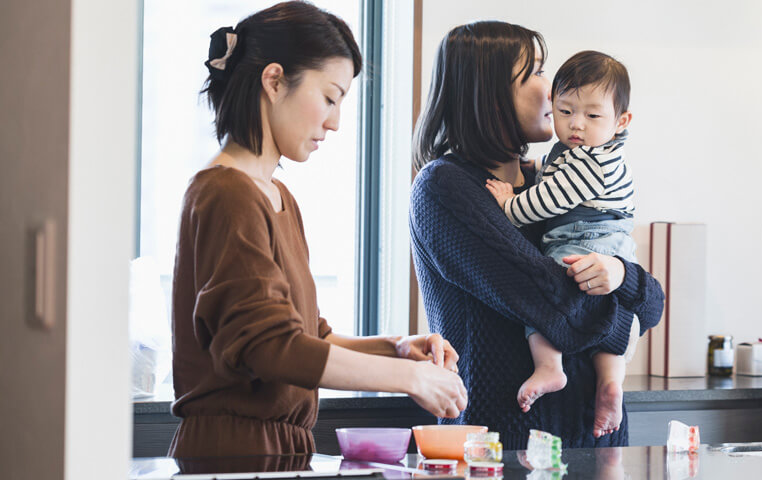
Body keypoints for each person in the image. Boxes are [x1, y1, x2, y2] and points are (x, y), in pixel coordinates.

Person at [170, 1, 467, 457]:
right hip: (235, 451)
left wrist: (397, 349)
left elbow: (307, 336)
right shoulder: (225, 193)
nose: (335, 121)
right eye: (330, 97)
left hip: (280, 449)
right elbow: (271, 346)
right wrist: (410, 379)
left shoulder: (276, 196)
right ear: (273, 81)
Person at [411, 21, 664, 449]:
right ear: (488, 94)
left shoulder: (551, 182)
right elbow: (559, 304)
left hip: (592, 439)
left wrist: (623, 274)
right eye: (535, 72)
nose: (551, 90)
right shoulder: (446, 188)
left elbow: (653, 303)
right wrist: (627, 312)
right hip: (505, 446)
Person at [483, 50, 636, 438]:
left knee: (546, 298)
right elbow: (553, 176)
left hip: (586, 238)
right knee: (619, 313)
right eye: (565, 111)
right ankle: (610, 382)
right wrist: (533, 170)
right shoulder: (576, 153)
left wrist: (509, 204)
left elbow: (544, 202)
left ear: (621, 122)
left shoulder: (592, 160)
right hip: (610, 244)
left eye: (592, 115)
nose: (576, 125)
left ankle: (550, 366)